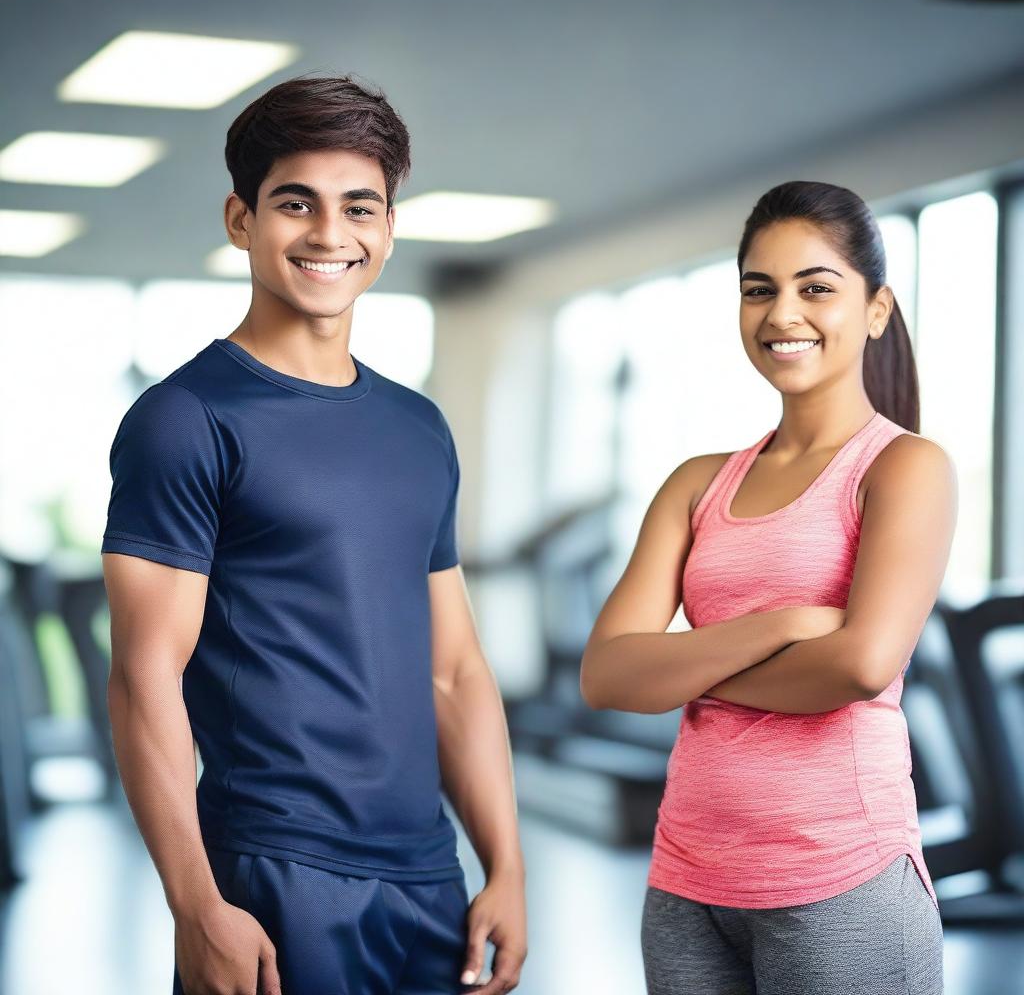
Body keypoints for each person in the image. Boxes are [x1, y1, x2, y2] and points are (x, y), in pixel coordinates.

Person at [101, 74, 527, 995]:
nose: (331, 235)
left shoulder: (419, 427)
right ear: (240, 218)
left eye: (359, 207)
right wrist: (195, 904)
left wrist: (506, 864)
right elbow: (144, 677)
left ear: (388, 227)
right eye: (296, 203)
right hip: (275, 871)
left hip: (428, 877)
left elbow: (454, 668)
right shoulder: (185, 419)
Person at [580, 180, 953, 994]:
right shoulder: (696, 484)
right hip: (688, 879)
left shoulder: (903, 469)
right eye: (760, 290)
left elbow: (857, 666)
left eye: (816, 287)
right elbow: (606, 675)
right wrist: (781, 623)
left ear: (876, 309)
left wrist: (685, 673)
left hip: (840, 875)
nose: (783, 314)